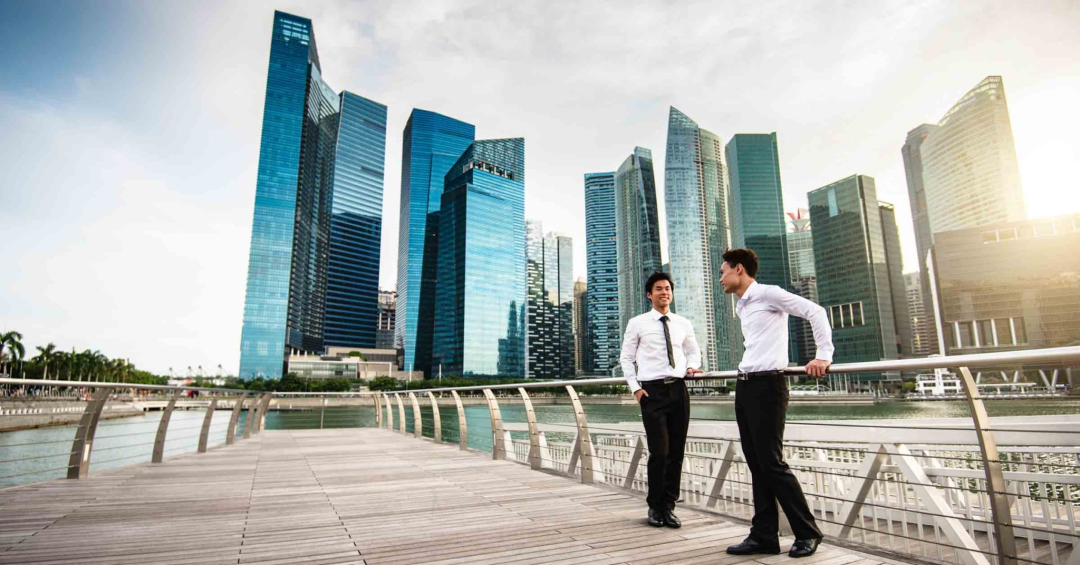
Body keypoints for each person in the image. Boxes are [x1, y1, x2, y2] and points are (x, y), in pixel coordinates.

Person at [720, 248, 833, 558]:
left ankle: (807, 532)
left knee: (771, 463)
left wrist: (823, 355)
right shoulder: (743, 305)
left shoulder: (768, 293)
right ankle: (764, 536)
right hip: (745, 386)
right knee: (757, 464)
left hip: (768, 386)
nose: (721, 279)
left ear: (739, 269)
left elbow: (816, 312)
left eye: (723, 272)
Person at [620, 272, 703, 528]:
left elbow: (693, 351)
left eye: (667, 288)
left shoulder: (682, 323)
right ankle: (655, 506)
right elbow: (626, 358)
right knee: (659, 452)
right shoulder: (637, 323)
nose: (664, 292)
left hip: (678, 390)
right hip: (652, 393)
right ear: (649, 294)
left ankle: (669, 506)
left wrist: (692, 366)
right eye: (658, 288)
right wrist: (636, 389)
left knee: (676, 452)